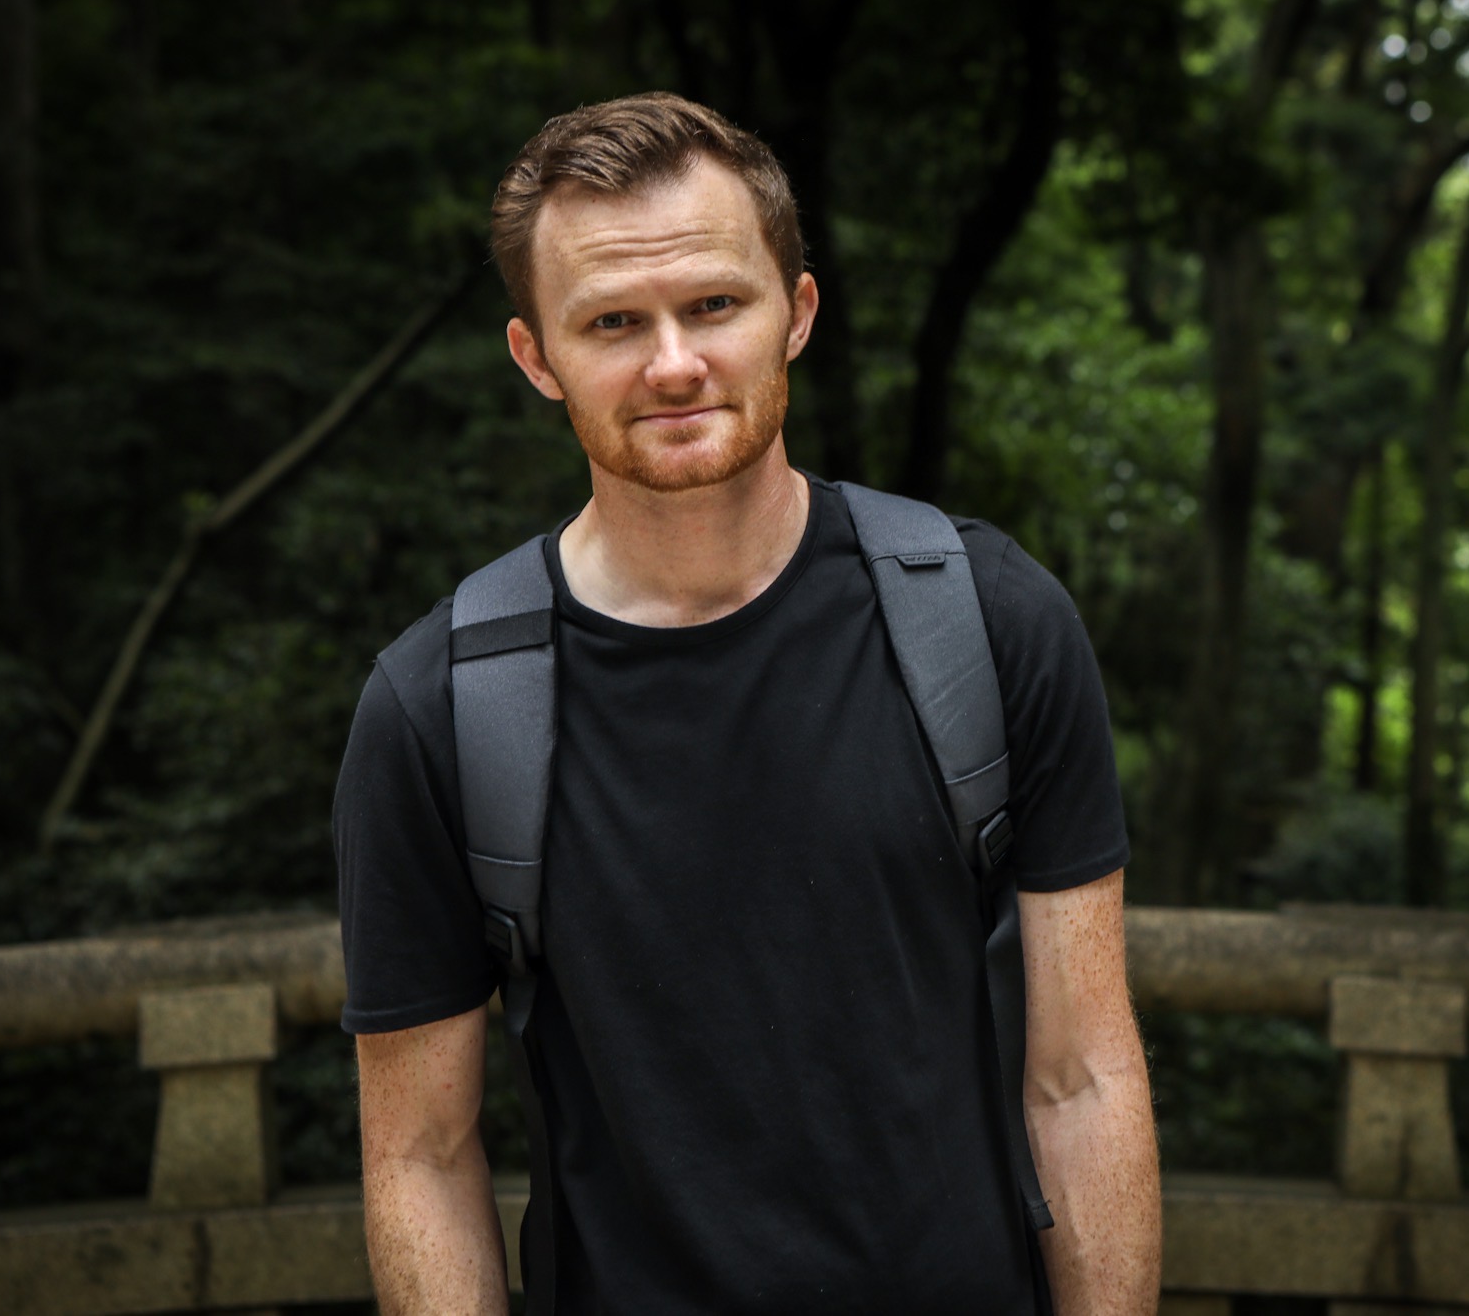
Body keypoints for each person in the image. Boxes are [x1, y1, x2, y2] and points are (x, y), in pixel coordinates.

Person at [334, 92, 1161, 1315]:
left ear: (796, 314)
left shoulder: (983, 621)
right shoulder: (440, 705)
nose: (672, 363)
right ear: (536, 358)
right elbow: (421, 1155)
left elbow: (1081, 1074)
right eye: (612, 321)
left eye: (714, 305)